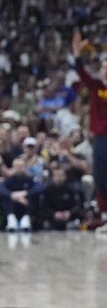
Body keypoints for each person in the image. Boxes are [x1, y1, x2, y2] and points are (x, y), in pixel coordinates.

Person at [72, 30, 107, 221]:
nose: (105, 69)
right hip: (100, 139)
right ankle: (104, 214)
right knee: (100, 177)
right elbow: (81, 72)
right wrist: (77, 53)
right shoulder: (96, 87)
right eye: (103, 67)